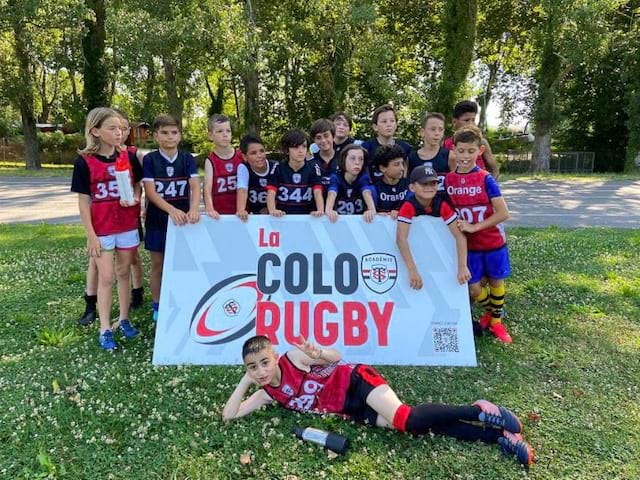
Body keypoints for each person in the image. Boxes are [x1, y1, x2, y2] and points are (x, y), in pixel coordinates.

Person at [222, 335, 534, 467]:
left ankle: (478, 410)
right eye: (253, 367)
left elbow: (337, 356)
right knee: (414, 429)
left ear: (274, 357)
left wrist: (318, 354)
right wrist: (244, 383)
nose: (261, 370)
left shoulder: (292, 358)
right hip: (350, 410)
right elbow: (229, 417)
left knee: (405, 418)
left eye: (264, 362)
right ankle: (497, 436)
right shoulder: (265, 393)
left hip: (356, 382)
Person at [70, 107, 142, 350]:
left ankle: (123, 318)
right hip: (101, 228)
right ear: (95, 131)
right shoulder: (85, 161)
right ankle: (104, 328)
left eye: (121, 128)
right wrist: (90, 235)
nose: (119, 132)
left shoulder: (129, 157)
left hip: (126, 224)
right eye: (112, 128)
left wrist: (134, 197)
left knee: (124, 273)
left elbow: (138, 185)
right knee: (107, 277)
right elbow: (83, 200)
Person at [444, 126, 512, 343]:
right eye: (461, 151)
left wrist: (475, 226)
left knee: (495, 282)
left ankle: (496, 323)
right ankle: (493, 312)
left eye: (470, 151)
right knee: (473, 289)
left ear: (480, 151)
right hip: (470, 246)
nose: (465, 156)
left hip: (492, 242)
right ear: (454, 150)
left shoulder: (486, 178)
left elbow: (503, 213)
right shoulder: (449, 180)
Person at [142, 114, 200, 322]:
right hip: (158, 219)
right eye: (165, 133)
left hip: (183, 222)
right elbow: (151, 192)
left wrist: (193, 208)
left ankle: (182, 300)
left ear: (180, 136)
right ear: (156, 136)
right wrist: (171, 210)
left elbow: (194, 185)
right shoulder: (150, 160)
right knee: (158, 263)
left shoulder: (187, 158)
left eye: (174, 132)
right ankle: (157, 304)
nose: (170, 137)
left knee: (182, 263)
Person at [396, 166, 471, 288]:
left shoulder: (441, 204)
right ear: (412, 187)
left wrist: (462, 266)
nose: (429, 187)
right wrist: (412, 269)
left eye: (433, 183)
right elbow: (401, 238)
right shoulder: (408, 206)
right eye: (424, 184)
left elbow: (459, 235)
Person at [266, 129, 324, 217]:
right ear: (287, 150)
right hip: (283, 218)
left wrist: (320, 210)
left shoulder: (313, 168)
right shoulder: (278, 167)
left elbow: (317, 192)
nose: (301, 151)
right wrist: (272, 210)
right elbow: (271, 192)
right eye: (296, 147)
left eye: (304, 146)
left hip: (307, 219)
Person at [443, 101, 499, 178]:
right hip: (457, 187)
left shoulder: (481, 142)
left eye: (473, 120)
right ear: (454, 122)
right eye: (466, 120)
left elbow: (494, 169)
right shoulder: (446, 144)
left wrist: (489, 186)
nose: (471, 124)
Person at [408, 112, 455, 199]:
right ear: (422, 132)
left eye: (440, 129)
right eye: (433, 129)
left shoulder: (450, 156)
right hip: (420, 207)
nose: (437, 133)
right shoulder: (412, 157)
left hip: (444, 206)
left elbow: (456, 182)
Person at [204, 114, 244, 217]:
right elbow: (207, 188)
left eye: (228, 131)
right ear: (210, 135)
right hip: (221, 216)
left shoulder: (241, 156)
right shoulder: (210, 160)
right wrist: (210, 209)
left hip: (243, 214)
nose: (225, 134)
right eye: (220, 131)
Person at [325, 144, 377, 222]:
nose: (357, 162)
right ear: (343, 160)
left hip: (359, 224)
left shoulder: (363, 177)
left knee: (372, 189)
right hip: (338, 223)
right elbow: (331, 193)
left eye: (361, 159)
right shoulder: (336, 177)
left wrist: (371, 210)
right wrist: (329, 210)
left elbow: (367, 193)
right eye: (352, 158)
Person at [362, 104, 412, 179]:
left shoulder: (405, 148)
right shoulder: (366, 148)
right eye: (384, 121)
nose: (389, 124)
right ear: (375, 127)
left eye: (392, 121)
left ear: (396, 125)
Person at [236, 133, 276, 220]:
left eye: (262, 151)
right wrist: (241, 210)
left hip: (275, 214)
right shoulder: (243, 167)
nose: (259, 156)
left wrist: (270, 209)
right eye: (253, 153)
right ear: (244, 157)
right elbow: (242, 190)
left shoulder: (275, 166)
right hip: (254, 216)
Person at [372, 145, 409, 220]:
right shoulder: (375, 190)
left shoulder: (410, 186)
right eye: (396, 164)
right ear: (382, 168)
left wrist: (401, 212)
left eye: (402, 163)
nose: (402, 168)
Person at [309, 118, 340, 189]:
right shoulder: (309, 163)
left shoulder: (344, 160)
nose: (323, 140)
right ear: (314, 140)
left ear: (333, 136)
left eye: (326, 136)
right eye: (318, 138)